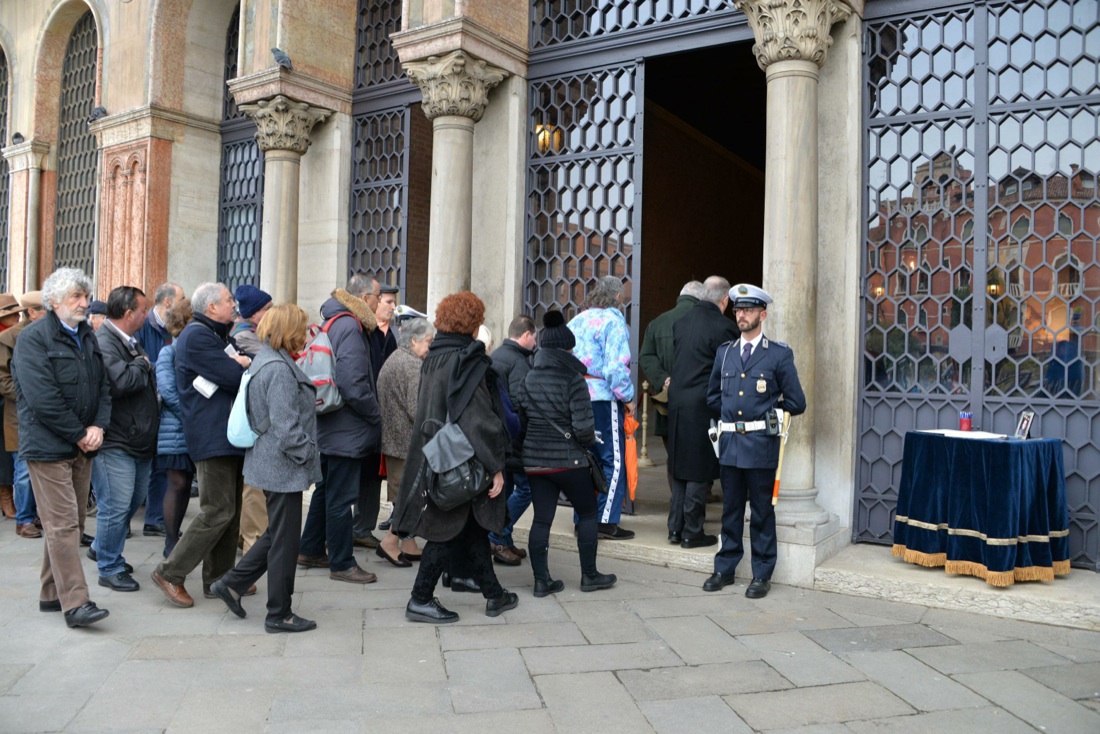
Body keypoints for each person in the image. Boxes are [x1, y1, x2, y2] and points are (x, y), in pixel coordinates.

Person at [393, 291, 517, 624]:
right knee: (446, 529)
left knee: (471, 526)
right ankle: (419, 599)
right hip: (462, 459)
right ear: (473, 323)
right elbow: (479, 419)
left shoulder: (434, 356)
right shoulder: (467, 360)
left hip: (437, 453)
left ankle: (495, 595)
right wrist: (497, 467)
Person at [210, 304, 320, 634]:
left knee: (278, 534)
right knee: (286, 542)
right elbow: (288, 429)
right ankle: (279, 613)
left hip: (273, 464)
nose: (306, 333)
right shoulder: (278, 369)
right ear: (288, 330)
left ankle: (231, 584)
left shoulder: (270, 360)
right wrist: (310, 454)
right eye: (302, 328)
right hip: (281, 467)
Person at [11, 267, 111, 627]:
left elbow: (102, 386)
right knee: (64, 524)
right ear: (54, 302)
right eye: (76, 297)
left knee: (69, 522)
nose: (84, 303)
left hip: (82, 446)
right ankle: (76, 603)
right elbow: (42, 399)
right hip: (48, 446)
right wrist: (80, 432)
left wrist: (99, 425)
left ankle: (51, 594)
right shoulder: (33, 339)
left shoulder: (87, 336)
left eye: (85, 297)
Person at [151, 283, 251, 608]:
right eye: (228, 300)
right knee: (216, 509)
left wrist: (241, 362)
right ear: (211, 307)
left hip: (228, 436)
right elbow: (234, 376)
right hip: (212, 436)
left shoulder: (218, 334)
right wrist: (239, 364)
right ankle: (170, 571)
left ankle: (222, 579)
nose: (234, 305)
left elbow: (242, 362)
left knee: (230, 511)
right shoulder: (197, 336)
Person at [704, 284, 806, 598]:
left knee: (762, 512)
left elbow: (797, 402)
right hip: (732, 445)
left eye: (748, 310)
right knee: (731, 510)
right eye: (738, 310)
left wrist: (767, 416)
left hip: (762, 445)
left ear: (762, 314)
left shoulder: (778, 354)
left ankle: (762, 574)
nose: (742, 315)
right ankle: (725, 568)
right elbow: (712, 397)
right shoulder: (726, 352)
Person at [517, 311, 616, 595]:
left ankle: (541, 581)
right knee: (587, 514)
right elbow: (584, 430)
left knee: (541, 519)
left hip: (535, 462)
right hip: (569, 461)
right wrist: (586, 442)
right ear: (566, 349)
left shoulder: (528, 377)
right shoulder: (574, 379)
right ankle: (589, 576)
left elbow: (522, 421)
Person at [297, 274, 381, 584]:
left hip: (330, 423)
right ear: (362, 299)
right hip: (347, 427)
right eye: (375, 297)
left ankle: (310, 548)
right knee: (341, 497)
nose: (377, 303)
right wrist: (375, 415)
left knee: (326, 489)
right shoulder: (350, 325)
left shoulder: (334, 321)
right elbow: (353, 383)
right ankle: (342, 563)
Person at [89, 286, 159, 593]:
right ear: (129, 314)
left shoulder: (128, 341)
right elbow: (122, 382)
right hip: (116, 439)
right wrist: (143, 364)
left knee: (131, 500)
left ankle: (103, 547)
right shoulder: (105, 341)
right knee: (115, 505)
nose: (147, 314)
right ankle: (109, 566)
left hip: (138, 439)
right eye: (144, 310)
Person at [667, 276, 738, 548]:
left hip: (678, 401)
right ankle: (692, 532)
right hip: (703, 403)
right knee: (698, 468)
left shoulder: (681, 321)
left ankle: (675, 528)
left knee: (679, 465)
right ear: (725, 300)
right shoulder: (724, 328)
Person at [568, 276, 636, 540]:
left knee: (584, 459)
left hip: (577, 397)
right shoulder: (614, 321)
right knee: (612, 460)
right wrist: (628, 397)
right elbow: (614, 368)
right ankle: (604, 520)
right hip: (603, 397)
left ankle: (582, 519)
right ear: (618, 297)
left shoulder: (577, 320)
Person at [375, 316, 434, 566]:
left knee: (404, 495)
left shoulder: (395, 359)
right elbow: (416, 408)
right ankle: (389, 542)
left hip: (393, 440)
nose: (430, 347)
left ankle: (408, 543)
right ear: (413, 340)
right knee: (409, 497)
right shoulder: (412, 366)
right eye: (428, 341)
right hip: (406, 443)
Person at [134, 281, 185, 539]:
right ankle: (152, 518)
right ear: (168, 302)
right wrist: (160, 368)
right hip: (147, 404)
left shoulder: (175, 327)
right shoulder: (143, 326)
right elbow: (137, 360)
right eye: (182, 298)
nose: (185, 303)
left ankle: (155, 518)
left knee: (162, 467)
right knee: (153, 467)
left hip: (164, 406)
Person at [486, 314, 537, 565]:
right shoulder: (518, 362)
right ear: (526, 335)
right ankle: (498, 536)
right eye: (534, 337)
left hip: (499, 438)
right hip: (515, 438)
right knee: (525, 489)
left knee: (505, 491)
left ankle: (502, 539)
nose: (535, 343)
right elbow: (520, 405)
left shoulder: (496, 355)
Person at [351, 278, 396, 549]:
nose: (389, 306)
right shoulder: (360, 332)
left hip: (378, 419)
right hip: (362, 416)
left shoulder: (390, 336)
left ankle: (363, 528)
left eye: (390, 302)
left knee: (371, 477)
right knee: (354, 478)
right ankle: (352, 528)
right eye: (384, 301)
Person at [230, 284, 274, 556]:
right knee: (253, 491)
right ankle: (251, 551)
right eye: (267, 309)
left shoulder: (254, 335)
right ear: (255, 313)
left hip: (254, 422)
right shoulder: (245, 337)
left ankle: (249, 544)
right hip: (252, 424)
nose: (271, 313)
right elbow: (270, 362)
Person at [1, 292, 47, 536]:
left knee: (42, 468)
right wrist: (29, 394)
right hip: (19, 413)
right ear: (32, 312)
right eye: (44, 309)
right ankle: (24, 519)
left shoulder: (50, 334)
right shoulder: (7, 338)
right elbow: (2, 379)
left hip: (46, 414)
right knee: (23, 469)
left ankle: (37, 515)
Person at [638, 281, 705, 448]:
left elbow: (646, 356)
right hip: (699, 402)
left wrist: (664, 379)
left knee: (673, 456)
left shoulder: (657, 323)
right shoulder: (707, 321)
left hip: (667, 399)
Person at [155, 297, 194, 557]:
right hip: (175, 430)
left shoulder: (193, 349)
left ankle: (175, 536)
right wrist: (191, 415)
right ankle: (170, 542)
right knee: (177, 483)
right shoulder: (169, 351)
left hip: (191, 429)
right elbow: (168, 391)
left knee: (186, 484)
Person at [0, 293, 22, 525]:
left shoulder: (14, 337)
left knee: (6, 453)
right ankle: (5, 496)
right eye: (11, 314)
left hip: (7, 402)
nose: (16, 318)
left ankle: (6, 496)